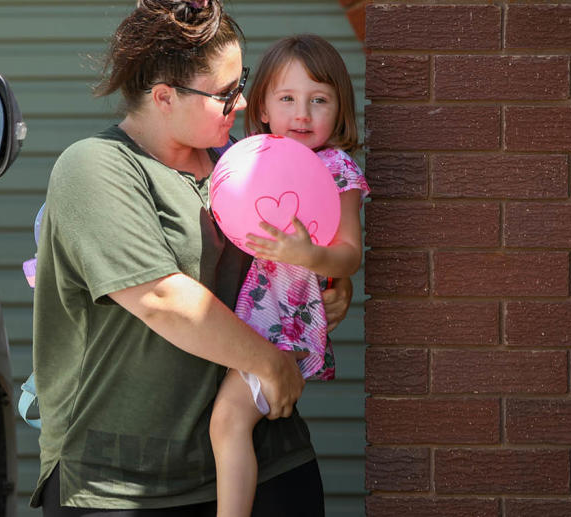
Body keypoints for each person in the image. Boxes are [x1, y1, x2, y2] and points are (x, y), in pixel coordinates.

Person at [30, 2, 348, 516]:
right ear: (164, 97)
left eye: (241, 83)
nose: (243, 104)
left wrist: (331, 282)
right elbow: (162, 299)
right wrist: (270, 362)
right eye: (225, 94)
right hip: (127, 487)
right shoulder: (95, 167)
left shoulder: (244, 164)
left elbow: (303, 250)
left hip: (268, 464)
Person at [209, 34, 369, 517]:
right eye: (288, 99)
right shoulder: (250, 160)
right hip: (253, 313)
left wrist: (310, 255)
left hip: (286, 321)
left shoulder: (336, 169)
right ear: (261, 107)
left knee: (229, 421)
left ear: (339, 111)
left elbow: (349, 255)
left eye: (318, 100)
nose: (302, 114)